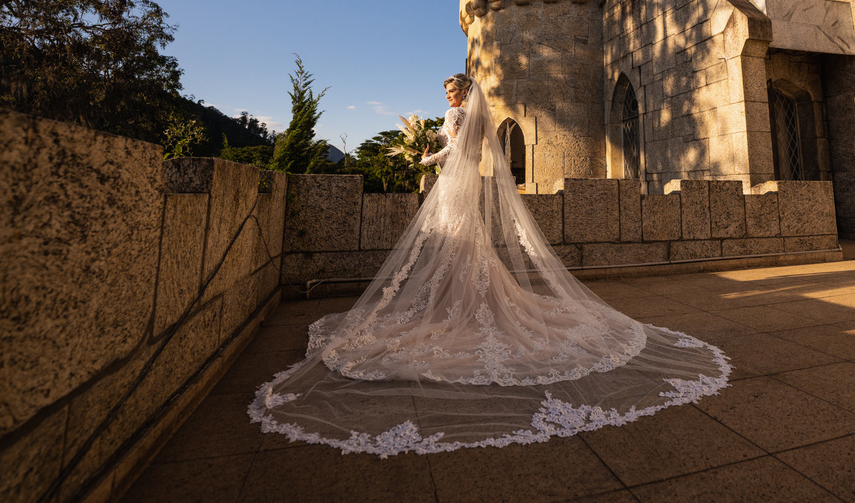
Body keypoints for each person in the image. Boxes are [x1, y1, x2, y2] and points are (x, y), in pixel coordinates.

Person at [250, 73, 730, 458]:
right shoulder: (475, 116)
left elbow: (456, 150)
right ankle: (464, 297)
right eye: (446, 93)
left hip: (454, 182)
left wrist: (426, 158)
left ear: (462, 93)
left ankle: (455, 302)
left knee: (456, 240)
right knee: (465, 241)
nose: (448, 97)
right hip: (468, 183)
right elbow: (474, 151)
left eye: (451, 91)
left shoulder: (457, 115)